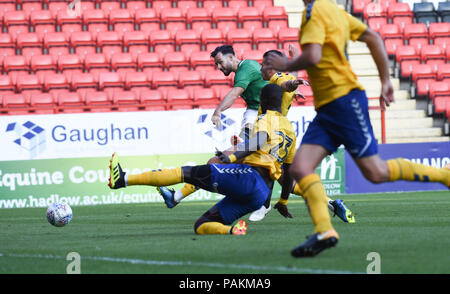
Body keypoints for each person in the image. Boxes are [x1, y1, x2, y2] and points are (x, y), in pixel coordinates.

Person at [265, 0, 450, 257]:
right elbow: (372, 37)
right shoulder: (335, 11)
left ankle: (445, 176)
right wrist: (385, 81)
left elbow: (315, 55)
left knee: (376, 172)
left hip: (344, 101)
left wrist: (286, 65)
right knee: (300, 168)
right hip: (329, 108)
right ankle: (324, 231)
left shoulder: (314, 11)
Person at [108, 84, 297, 236]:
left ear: (262, 101)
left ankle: (123, 180)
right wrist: (283, 201)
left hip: (249, 179)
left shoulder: (265, 119)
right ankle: (231, 230)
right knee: (202, 225)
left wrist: (231, 156)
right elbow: (288, 173)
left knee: (188, 173)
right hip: (260, 194)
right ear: (281, 102)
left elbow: (258, 142)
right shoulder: (289, 129)